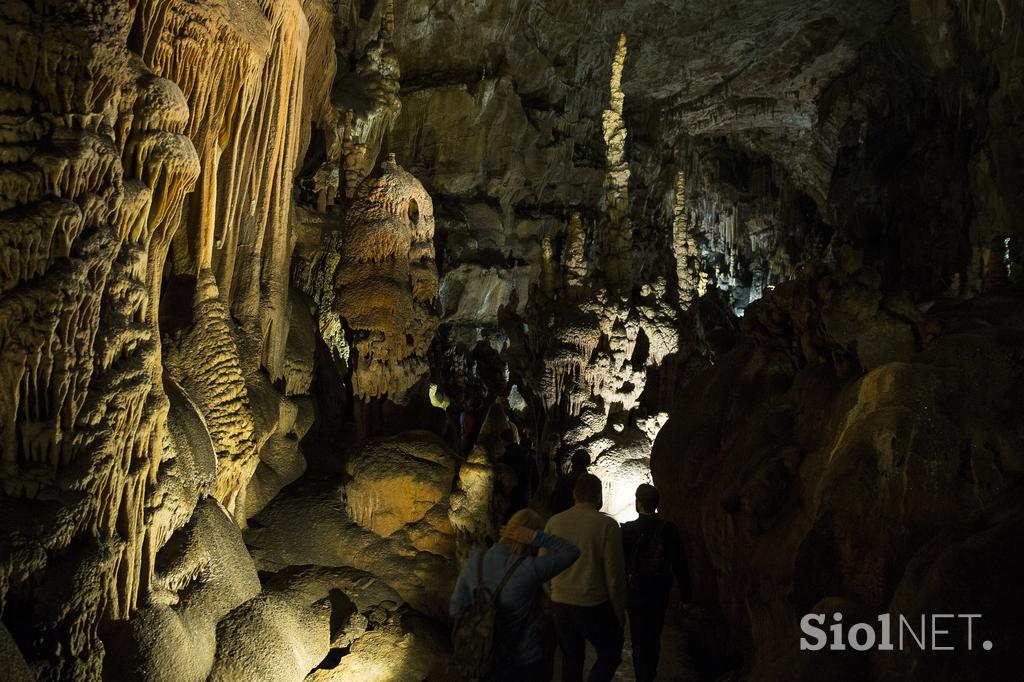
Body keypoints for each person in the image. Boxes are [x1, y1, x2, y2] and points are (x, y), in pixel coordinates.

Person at [450, 509, 581, 681]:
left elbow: (455, 609)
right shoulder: (529, 569)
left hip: (483, 659)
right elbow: (572, 552)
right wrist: (536, 537)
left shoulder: (476, 561)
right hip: (524, 661)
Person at [544, 473, 627, 682]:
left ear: (574, 494)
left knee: (571, 660)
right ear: (599, 497)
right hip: (592, 603)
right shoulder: (607, 525)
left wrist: (552, 593)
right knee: (610, 653)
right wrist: (619, 611)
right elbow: (614, 574)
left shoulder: (555, 522)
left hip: (561, 602)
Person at [621, 483, 690, 682]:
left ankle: (641, 674)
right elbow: (679, 563)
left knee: (638, 637)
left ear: (639, 502)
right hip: (659, 591)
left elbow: (620, 564)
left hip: (634, 592)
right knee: (654, 635)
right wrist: (686, 593)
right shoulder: (669, 530)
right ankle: (649, 674)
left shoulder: (628, 531)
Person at [497, 429, 538, 522]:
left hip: (510, 497)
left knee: (510, 522)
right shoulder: (527, 453)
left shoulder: (504, 458)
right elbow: (535, 476)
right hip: (525, 494)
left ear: (502, 440)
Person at [550, 449, 590, 514]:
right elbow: (598, 504)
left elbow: (554, 501)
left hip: (564, 516)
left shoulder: (564, 479)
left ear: (573, 462)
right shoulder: (591, 481)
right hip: (584, 518)